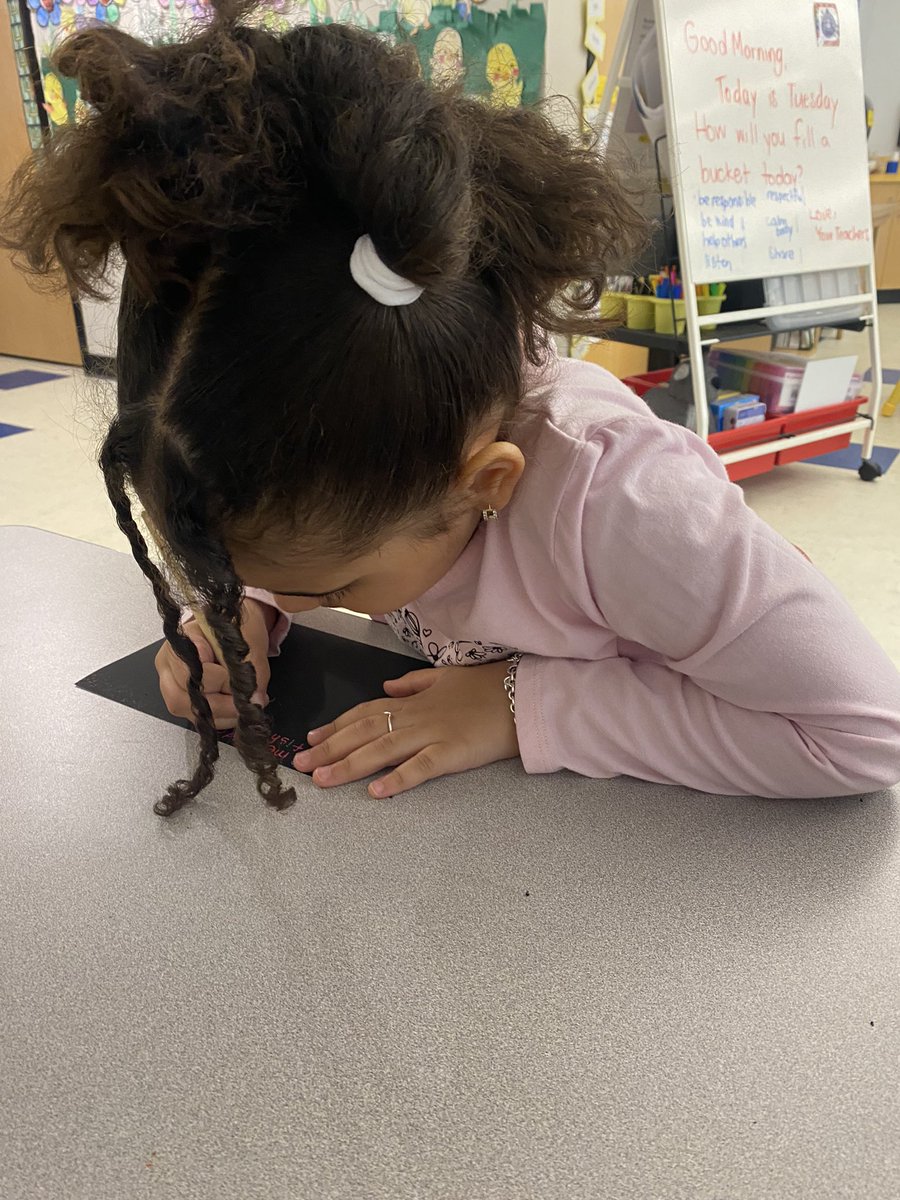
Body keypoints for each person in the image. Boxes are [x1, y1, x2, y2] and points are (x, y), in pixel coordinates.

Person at [5, 2, 900, 817]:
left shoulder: (624, 504)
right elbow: (298, 534)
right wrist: (241, 610)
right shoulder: (354, 438)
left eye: (335, 590)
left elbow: (864, 733)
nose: (309, 598)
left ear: (486, 484)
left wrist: (524, 706)